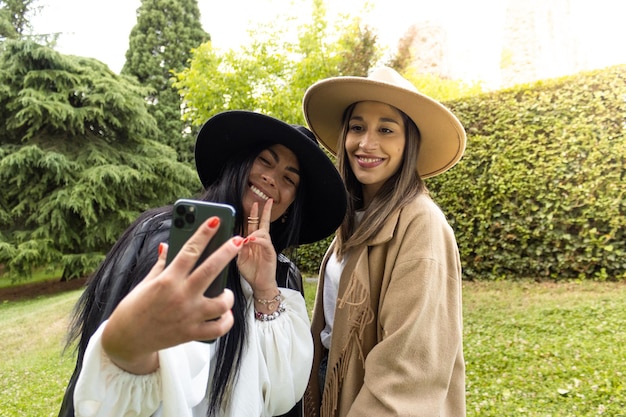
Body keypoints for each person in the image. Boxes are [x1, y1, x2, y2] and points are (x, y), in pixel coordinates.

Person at [58, 110, 348, 417]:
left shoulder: (283, 277)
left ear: (291, 205)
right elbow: (118, 370)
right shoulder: (163, 237)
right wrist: (127, 349)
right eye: (265, 160)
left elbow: (281, 394)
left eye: (289, 179)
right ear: (239, 164)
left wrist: (265, 289)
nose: (272, 178)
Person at [301, 67, 467, 417]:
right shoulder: (355, 217)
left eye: (386, 130)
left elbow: (407, 370)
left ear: (409, 143)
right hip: (334, 383)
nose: (366, 143)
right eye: (357, 127)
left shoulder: (421, 224)